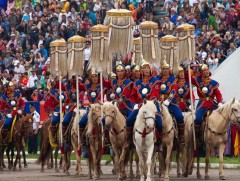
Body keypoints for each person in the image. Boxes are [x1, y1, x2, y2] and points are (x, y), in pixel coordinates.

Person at [126, 60, 163, 150]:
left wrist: (148, 104)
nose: (146, 70)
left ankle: (159, 142)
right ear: (141, 70)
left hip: (152, 105)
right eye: (144, 68)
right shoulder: (137, 83)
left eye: (147, 68)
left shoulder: (155, 81)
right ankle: (129, 141)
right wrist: (135, 103)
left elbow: (154, 94)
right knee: (129, 120)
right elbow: (132, 95)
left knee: (159, 122)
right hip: (140, 105)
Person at [191, 64, 223, 147]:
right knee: (197, 119)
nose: (206, 72)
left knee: (221, 116)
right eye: (204, 71)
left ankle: (220, 136)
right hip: (202, 103)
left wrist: (219, 102)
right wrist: (191, 70)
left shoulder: (213, 83)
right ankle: (197, 137)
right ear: (201, 72)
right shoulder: (198, 80)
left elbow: (218, 94)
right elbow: (190, 79)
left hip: (212, 103)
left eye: (207, 70)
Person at [157, 60, 185, 144]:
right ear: (161, 70)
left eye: (167, 68)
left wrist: (168, 100)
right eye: (164, 69)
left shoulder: (173, 79)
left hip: (171, 103)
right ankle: (156, 137)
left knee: (179, 116)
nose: (165, 70)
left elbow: (174, 90)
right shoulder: (157, 79)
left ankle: (181, 136)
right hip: (159, 102)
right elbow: (155, 90)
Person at [78, 67, 106, 147]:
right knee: (82, 122)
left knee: (106, 121)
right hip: (90, 109)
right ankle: (82, 139)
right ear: (90, 78)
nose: (94, 78)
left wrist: (101, 103)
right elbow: (84, 99)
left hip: (100, 109)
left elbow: (105, 98)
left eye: (96, 76)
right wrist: (89, 104)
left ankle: (107, 139)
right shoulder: (87, 87)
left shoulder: (102, 87)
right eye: (93, 76)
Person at [44, 78, 66, 145]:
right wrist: (53, 111)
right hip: (57, 109)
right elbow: (49, 103)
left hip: (66, 108)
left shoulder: (65, 92)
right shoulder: (52, 92)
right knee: (54, 120)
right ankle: (53, 136)